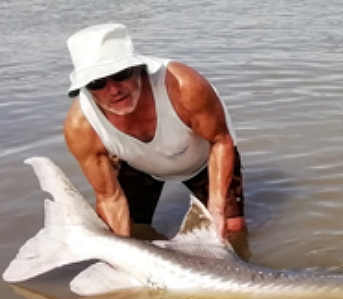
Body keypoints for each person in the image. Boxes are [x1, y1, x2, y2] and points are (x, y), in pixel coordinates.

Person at [63, 23, 245, 242]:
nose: (114, 89)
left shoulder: (184, 87)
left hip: (205, 159)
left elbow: (220, 142)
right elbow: (109, 198)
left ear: (139, 68)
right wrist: (120, 254)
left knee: (233, 230)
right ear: (85, 87)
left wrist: (216, 210)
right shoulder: (81, 127)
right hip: (138, 164)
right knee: (129, 233)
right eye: (97, 83)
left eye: (121, 74)